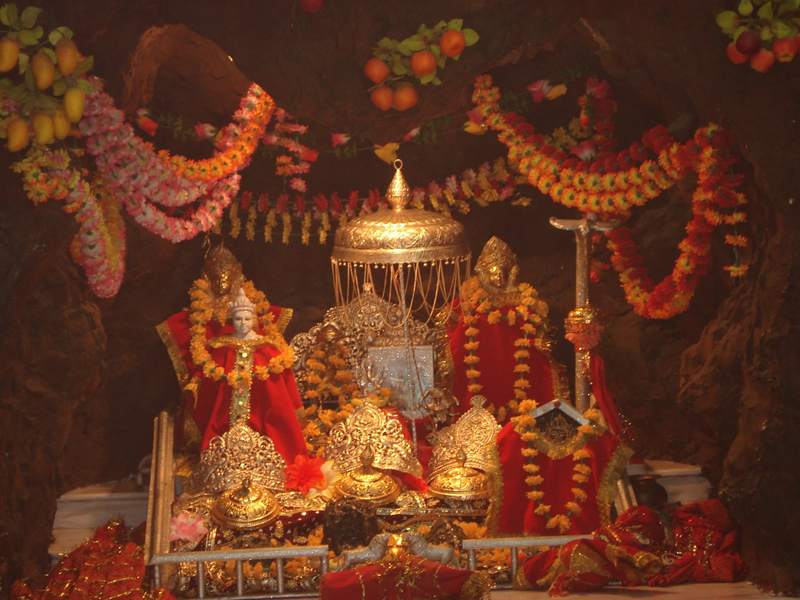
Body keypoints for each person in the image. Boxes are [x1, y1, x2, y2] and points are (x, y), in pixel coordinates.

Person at [157, 245, 305, 463]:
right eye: (238, 319)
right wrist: (195, 385)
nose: (243, 323)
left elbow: (282, 389)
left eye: (247, 319)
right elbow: (205, 377)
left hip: (264, 427)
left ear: (254, 319)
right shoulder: (220, 347)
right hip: (223, 429)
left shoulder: (268, 348)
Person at [445, 236, 567, 422]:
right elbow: (447, 319)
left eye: (502, 274)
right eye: (494, 274)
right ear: (484, 274)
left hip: (519, 364)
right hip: (481, 360)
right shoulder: (472, 299)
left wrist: (543, 339)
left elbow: (541, 326)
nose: (499, 278)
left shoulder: (525, 300)